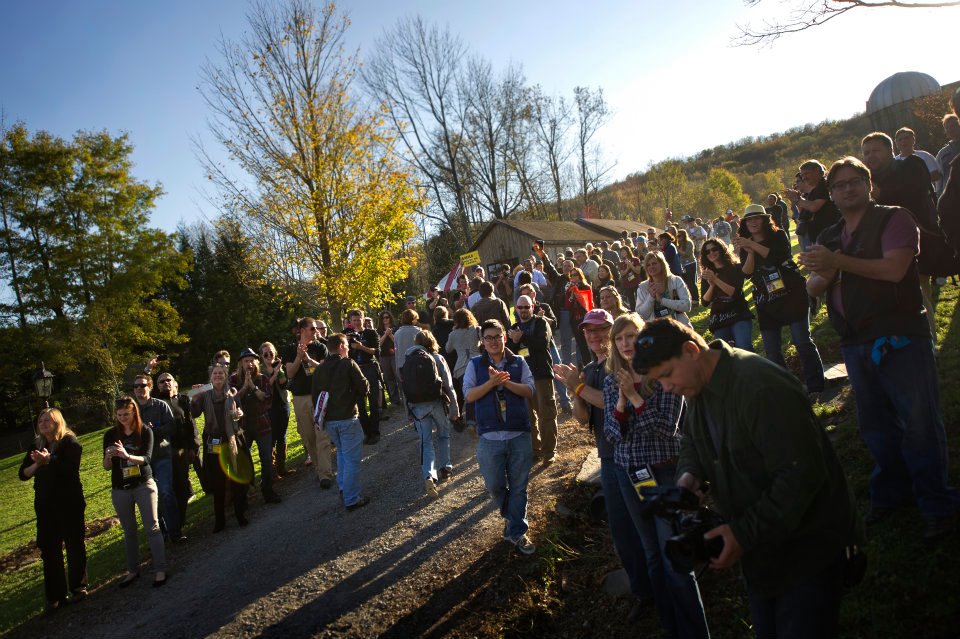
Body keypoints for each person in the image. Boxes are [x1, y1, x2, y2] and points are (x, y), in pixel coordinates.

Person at [634, 318, 861, 639]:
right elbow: (693, 441)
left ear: (691, 350)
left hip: (806, 553)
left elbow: (801, 477)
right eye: (659, 382)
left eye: (667, 375)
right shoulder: (699, 385)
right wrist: (688, 478)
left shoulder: (760, 388)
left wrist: (741, 533)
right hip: (763, 557)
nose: (667, 387)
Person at [801, 156, 960, 541]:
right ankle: (893, 492)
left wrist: (836, 264)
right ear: (832, 194)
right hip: (854, 341)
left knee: (919, 421)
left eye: (855, 181)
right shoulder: (831, 235)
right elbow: (812, 286)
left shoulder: (894, 219)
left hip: (900, 335)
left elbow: (894, 269)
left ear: (869, 185)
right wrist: (826, 269)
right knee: (876, 426)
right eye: (839, 185)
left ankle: (936, 504)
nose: (847, 189)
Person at [602, 313, 709, 639]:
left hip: (664, 470)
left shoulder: (661, 373)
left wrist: (634, 397)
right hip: (628, 473)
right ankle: (670, 625)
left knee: (675, 556)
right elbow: (612, 433)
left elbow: (667, 428)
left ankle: (694, 631)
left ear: (642, 337)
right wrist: (622, 401)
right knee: (651, 554)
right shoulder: (611, 381)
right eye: (619, 339)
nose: (626, 344)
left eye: (631, 336)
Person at [552, 310, 653, 624]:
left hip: (637, 455)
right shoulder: (591, 368)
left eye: (600, 330)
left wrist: (579, 388)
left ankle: (667, 587)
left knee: (648, 526)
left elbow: (609, 401)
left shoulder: (622, 363)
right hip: (608, 458)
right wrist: (574, 388)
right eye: (588, 332)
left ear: (612, 332)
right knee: (622, 532)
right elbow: (583, 419)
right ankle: (644, 593)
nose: (594, 337)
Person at [736, 204, 825, 399]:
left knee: (802, 341)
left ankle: (816, 386)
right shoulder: (745, 244)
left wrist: (752, 245)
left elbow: (777, 256)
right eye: (749, 219)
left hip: (792, 292)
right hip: (766, 298)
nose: (753, 222)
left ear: (765, 220)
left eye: (757, 218)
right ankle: (789, 390)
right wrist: (749, 250)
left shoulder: (779, 235)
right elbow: (747, 272)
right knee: (771, 349)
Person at [464, 319, 537, 555]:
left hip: (519, 433)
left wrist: (506, 382)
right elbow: (469, 395)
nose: (493, 341)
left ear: (505, 337)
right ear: (482, 342)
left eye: (497, 336)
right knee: (495, 485)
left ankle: (516, 531)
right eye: (489, 338)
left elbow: (529, 390)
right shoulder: (474, 365)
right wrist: (491, 383)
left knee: (519, 486)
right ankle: (512, 515)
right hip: (490, 436)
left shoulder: (518, 362)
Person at [19, 408, 87, 611]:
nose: (43, 423)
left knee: (74, 544)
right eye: (40, 420)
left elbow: (70, 469)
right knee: (49, 550)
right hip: (45, 506)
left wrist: (50, 460)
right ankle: (55, 596)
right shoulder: (36, 445)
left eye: (47, 420)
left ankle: (78, 587)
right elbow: (23, 474)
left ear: (57, 422)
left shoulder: (69, 442)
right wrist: (37, 465)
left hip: (69, 503)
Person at [105, 397, 168, 587]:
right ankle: (133, 570)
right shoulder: (110, 435)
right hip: (120, 488)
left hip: (143, 484)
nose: (123, 418)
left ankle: (160, 570)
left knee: (152, 527)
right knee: (129, 531)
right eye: (119, 415)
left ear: (134, 413)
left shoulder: (145, 431)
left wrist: (127, 455)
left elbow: (147, 458)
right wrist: (108, 456)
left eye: (126, 414)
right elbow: (107, 467)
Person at [312, 333, 371, 511]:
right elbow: (363, 386)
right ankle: (352, 498)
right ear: (340, 346)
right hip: (347, 418)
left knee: (342, 454)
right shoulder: (348, 363)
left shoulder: (320, 369)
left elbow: (316, 396)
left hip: (330, 421)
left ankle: (344, 487)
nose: (348, 348)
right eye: (346, 345)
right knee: (352, 459)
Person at [191, 364, 250, 531]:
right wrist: (194, 399)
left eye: (221, 374)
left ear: (225, 376)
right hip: (213, 443)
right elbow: (194, 413)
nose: (217, 376)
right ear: (210, 377)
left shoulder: (231, 392)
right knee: (218, 483)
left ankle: (240, 515)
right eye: (214, 374)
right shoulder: (204, 394)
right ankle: (220, 521)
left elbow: (239, 410)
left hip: (232, 440)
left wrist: (240, 414)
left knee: (236, 480)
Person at [406, 330, 460, 497]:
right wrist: (455, 408)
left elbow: (404, 388)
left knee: (425, 441)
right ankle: (446, 467)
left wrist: (408, 410)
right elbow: (448, 385)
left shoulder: (408, 360)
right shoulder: (437, 358)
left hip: (417, 406)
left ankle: (429, 475)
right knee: (443, 435)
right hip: (437, 403)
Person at [509, 294, 559, 465]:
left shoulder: (540, 323)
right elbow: (512, 354)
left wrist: (520, 338)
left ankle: (549, 452)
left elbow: (541, 343)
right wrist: (514, 342)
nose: (523, 310)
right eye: (520, 307)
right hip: (523, 379)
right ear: (516, 309)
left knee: (546, 414)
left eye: (526, 307)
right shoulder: (514, 327)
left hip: (541, 375)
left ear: (532, 307)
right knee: (528, 418)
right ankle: (535, 451)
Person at [282, 317, 332, 486]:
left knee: (323, 436)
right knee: (309, 438)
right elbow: (289, 373)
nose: (316, 331)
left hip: (319, 396)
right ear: (302, 330)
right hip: (300, 398)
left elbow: (325, 370)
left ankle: (325, 474)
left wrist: (309, 360)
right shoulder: (290, 349)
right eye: (312, 329)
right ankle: (320, 469)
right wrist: (298, 357)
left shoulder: (320, 347)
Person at [131, 373, 180, 544]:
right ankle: (161, 534)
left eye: (142, 385)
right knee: (151, 499)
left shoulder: (160, 406)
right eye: (136, 386)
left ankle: (175, 531)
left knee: (166, 492)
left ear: (150, 387)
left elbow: (172, 427)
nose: (139, 389)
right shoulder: (130, 410)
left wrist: (153, 431)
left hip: (161, 456)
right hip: (141, 461)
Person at [231, 348, 281, 504]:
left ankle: (268, 491)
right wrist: (245, 387)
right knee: (244, 461)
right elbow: (232, 401)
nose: (249, 364)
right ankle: (245, 496)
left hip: (262, 425)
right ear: (240, 363)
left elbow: (266, 400)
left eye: (252, 360)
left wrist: (252, 387)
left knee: (266, 460)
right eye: (246, 361)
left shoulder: (262, 379)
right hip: (243, 427)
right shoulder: (233, 380)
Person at [154, 373, 201, 531]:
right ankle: (166, 527)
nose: (166, 383)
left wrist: (193, 447)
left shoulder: (183, 400)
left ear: (176, 384)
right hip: (161, 455)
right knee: (166, 492)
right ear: (157, 386)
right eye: (162, 381)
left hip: (181, 453)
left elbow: (191, 425)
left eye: (169, 380)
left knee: (181, 489)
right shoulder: (155, 404)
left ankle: (178, 524)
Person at [699, 238, 754, 351]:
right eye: (707, 252)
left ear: (721, 249)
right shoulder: (707, 273)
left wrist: (715, 279)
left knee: (744, 347)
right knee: (724, 354)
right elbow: (705, 302)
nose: (711, 253)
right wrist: (712, 285)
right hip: (719, 319)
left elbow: (734, 293)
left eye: (714, 249)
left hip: (739, 314)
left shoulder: (736, 267)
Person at [784, 159, 841, 251]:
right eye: (802, 175)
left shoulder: (824, 185)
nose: (804, 178)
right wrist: (795, 199)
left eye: (806, 173)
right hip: (817, 237)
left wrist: (797, 199)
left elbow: (814, 207)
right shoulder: (813, 191)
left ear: (817, 171)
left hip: (829, 236)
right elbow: (803, 213)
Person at [345, 309, 383, 445]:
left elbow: (376, 351)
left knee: (373, 402)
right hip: (355, 370)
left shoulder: (371, 333)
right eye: (353, 320)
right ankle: (366, 432)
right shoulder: (346, 335)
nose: (356, 322)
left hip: (369, 367)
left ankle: (375, 432)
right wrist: (347, 343)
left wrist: (361, 347)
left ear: (363, 319)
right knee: (360, 404)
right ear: (350, 321)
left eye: (358, 320)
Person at [259, 341, 292, 477]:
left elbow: (285, 385)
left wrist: (279, 372)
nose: (269, 355)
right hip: (268, 408)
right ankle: (272, 472)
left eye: (271, 352)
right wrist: (274, 373)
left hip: (283, 404)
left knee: (282, 436)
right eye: (265, 353)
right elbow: (265, 388)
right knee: (271, 438)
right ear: (261, 356)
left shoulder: (278, 365)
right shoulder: (259, 370)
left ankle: (281, 468)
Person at [446, 308, 482, 429]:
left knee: (468, 393)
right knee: (481, 390)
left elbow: (448, 349)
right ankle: (482, 416)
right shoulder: (476, 330)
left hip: (462, 366)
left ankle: (471, 421)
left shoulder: (453, 334)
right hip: (478, 363)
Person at [635, 251, 692, 327]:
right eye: (648, 265)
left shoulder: (675, 281)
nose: (651, 267)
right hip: (656, 333)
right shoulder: (643, 288)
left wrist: (662, 301)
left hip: (679, 328)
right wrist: (651, 297)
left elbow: (687, 306)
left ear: (662, 264)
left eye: (654, 263)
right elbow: (641, 316)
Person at [894, 126, 942, 192]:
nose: (903, 141)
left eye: (906, 138)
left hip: (926, 196)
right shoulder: (894, 162)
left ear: (913, 140)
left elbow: (936, 175)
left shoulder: (924, 155)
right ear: (896, 143)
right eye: (900, 139)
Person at [564, 266, 593, 368]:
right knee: (581, 345)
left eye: (575, 275)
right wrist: (571, 294)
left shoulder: (586, 287)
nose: (572, 277)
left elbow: (588, 304)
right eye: (571, 275)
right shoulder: (569, 289)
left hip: (585, 319)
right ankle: (588, 366)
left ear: (580, 276)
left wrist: (577, 292)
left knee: (592, 342)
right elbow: (567, 306)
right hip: (575, 321)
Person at [377, 311, 402, 406]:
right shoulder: (379, 330)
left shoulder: (396, 328)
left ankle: (404, 397)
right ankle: (395, 400)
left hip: (395, 355)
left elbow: (397, 341)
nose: (385, 319)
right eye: (383, 318)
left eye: (387, 317)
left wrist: (390, 334)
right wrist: (385, 334)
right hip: (384, 357)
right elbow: (379, 344)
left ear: (390, 318)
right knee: (389, 378)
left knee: (399, 377)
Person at [936, 113, 960, 195]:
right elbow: (939, 180)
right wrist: (939, 198)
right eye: (947, 127)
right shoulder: (942, 154)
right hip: (952, 198)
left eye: (953, 125)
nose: (951, 129)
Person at [676, 228, 699, 306]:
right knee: (687, 283)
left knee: (692, 282)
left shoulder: (689, 243)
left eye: (679, 236)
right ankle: (691, 299)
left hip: (690, 264)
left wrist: (678, 250)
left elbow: (687, 254)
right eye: (677, 236)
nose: (678, 237)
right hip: (683, 266)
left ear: (684, 235)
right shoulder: (679, 244)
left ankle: (696, 300)